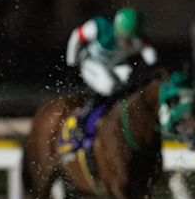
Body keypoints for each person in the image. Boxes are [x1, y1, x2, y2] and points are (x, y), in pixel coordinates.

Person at [65, 7, 157, 140]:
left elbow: (152, 59)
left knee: (129, 78)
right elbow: (76, 36)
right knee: (109, 85)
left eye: (130, 39)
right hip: (91, 64)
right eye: (124, 38)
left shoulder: (138, 39)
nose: (126, 43)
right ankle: (82, 119)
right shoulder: (98, 27)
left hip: (114, 67)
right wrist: (71, 64)